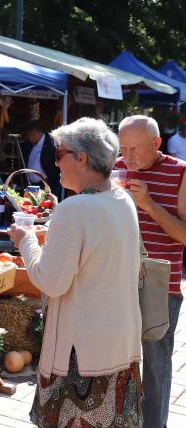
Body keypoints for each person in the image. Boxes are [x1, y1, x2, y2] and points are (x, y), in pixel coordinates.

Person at [8, 117, 143, 427]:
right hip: (120, 344)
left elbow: (50, 282)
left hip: (81, 354)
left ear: (81, 158)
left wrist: (26, 241)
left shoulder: (75, 209)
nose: (56, 162)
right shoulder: (123, 199)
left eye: (60, 154)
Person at [116, 115, 186, 428]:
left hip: (161, 285)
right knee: (115, 362)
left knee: (156, 366)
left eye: (135, 149)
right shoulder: (116, 168)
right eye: (123, 148)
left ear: (157, 144)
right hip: (117, 280)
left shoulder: (180, 172)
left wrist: (149, 205)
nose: (127, 157)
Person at [21, 121, 62, 197]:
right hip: (31, 186)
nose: (28, 138)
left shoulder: (51, 142)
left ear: (35, 133)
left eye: (29, 135)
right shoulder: (28, 145)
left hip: (48, 185)